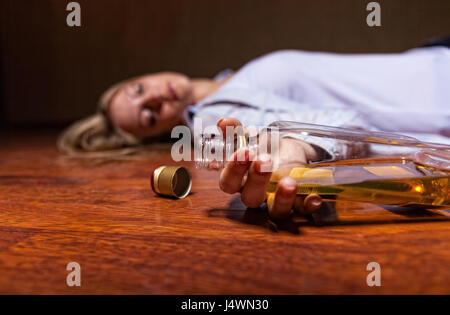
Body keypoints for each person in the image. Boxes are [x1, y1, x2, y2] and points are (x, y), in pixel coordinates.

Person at [58, 40, 450, 219]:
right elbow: (340, 123)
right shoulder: (213, 117)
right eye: (148, 115)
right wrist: (294, 148)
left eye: (139, 89)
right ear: (159, 133)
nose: (155, 99)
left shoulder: (227, 83)